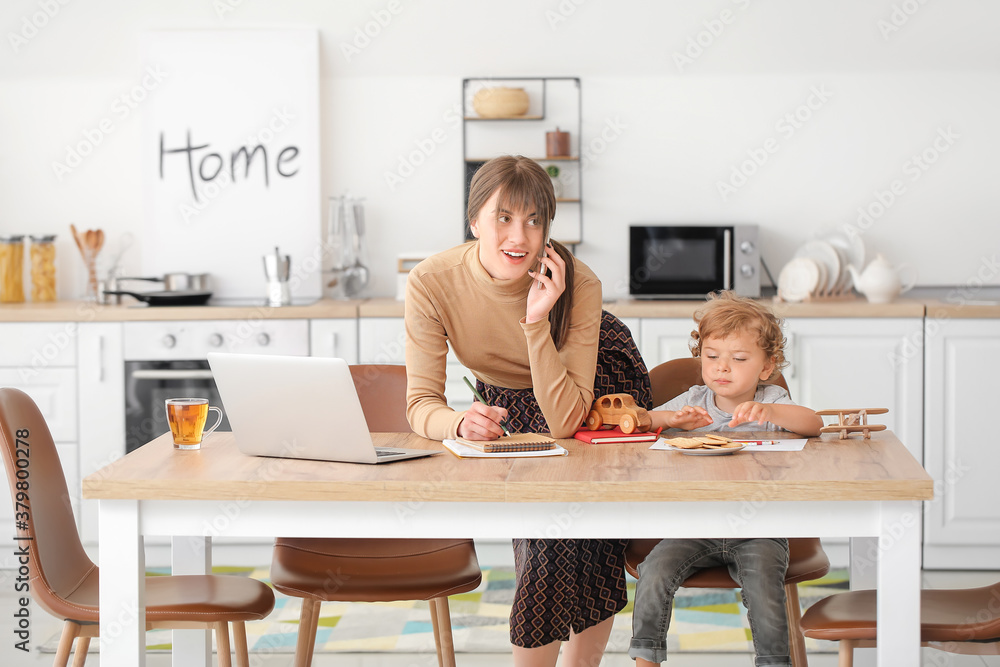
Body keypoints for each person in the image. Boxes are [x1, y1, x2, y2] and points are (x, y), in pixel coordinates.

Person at [405, 155, 636, 667]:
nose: (521, 235)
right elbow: (421, 404)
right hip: (507, 395)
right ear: (473, 221)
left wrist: (536, 321)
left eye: (536, 220)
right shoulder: (431, 281)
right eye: (504, 217)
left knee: (584, 530)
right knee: (542, 534)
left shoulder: (578, 284)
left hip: (593, 383)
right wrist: (459, 423)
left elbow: (567, 421)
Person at [630, 291, 823, 667]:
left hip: (759, 527)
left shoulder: (772, 400)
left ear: (766, 367)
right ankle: (646, 659)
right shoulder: (695, 400)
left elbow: (814, 424)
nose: (722, 368)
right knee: (653, 572)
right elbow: (642, 421)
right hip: (693, 525)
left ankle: (773, 661)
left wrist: (771, 410)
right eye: (711, 356)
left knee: (766, 588)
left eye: (738, 359)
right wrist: (671, 421)